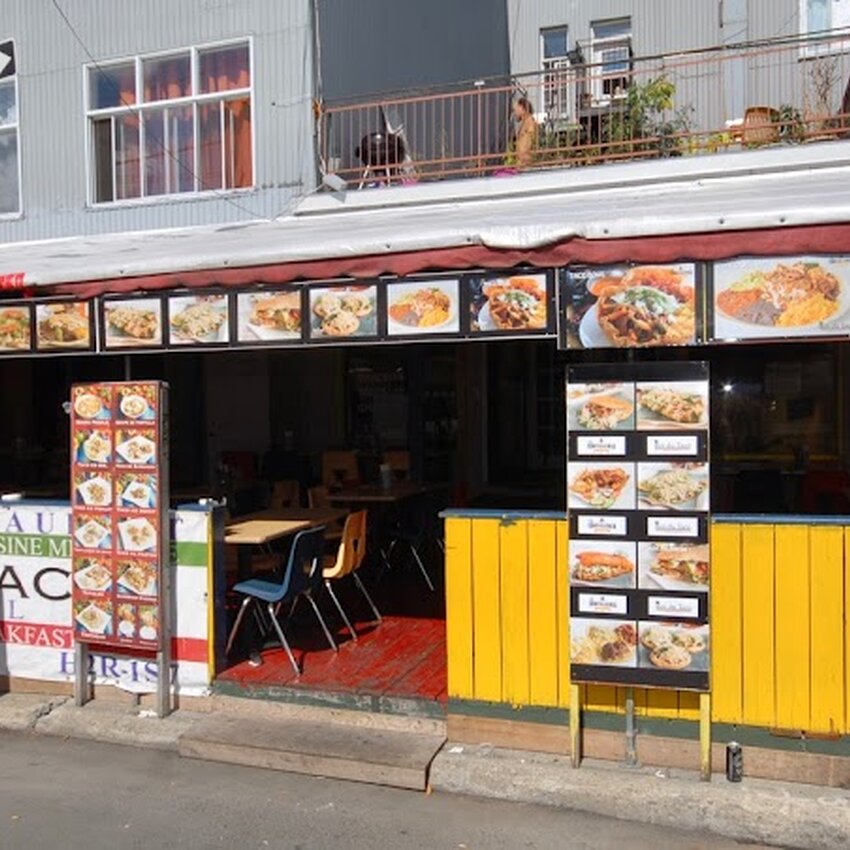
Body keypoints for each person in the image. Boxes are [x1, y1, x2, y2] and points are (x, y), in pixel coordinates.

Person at [513, 96, 538, 169]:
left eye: (516, 109)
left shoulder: (529, 123)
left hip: (525, 164)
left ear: (522, 108)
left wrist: (521, 162)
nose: (515, 113)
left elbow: (526, 145)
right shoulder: (525, 123)